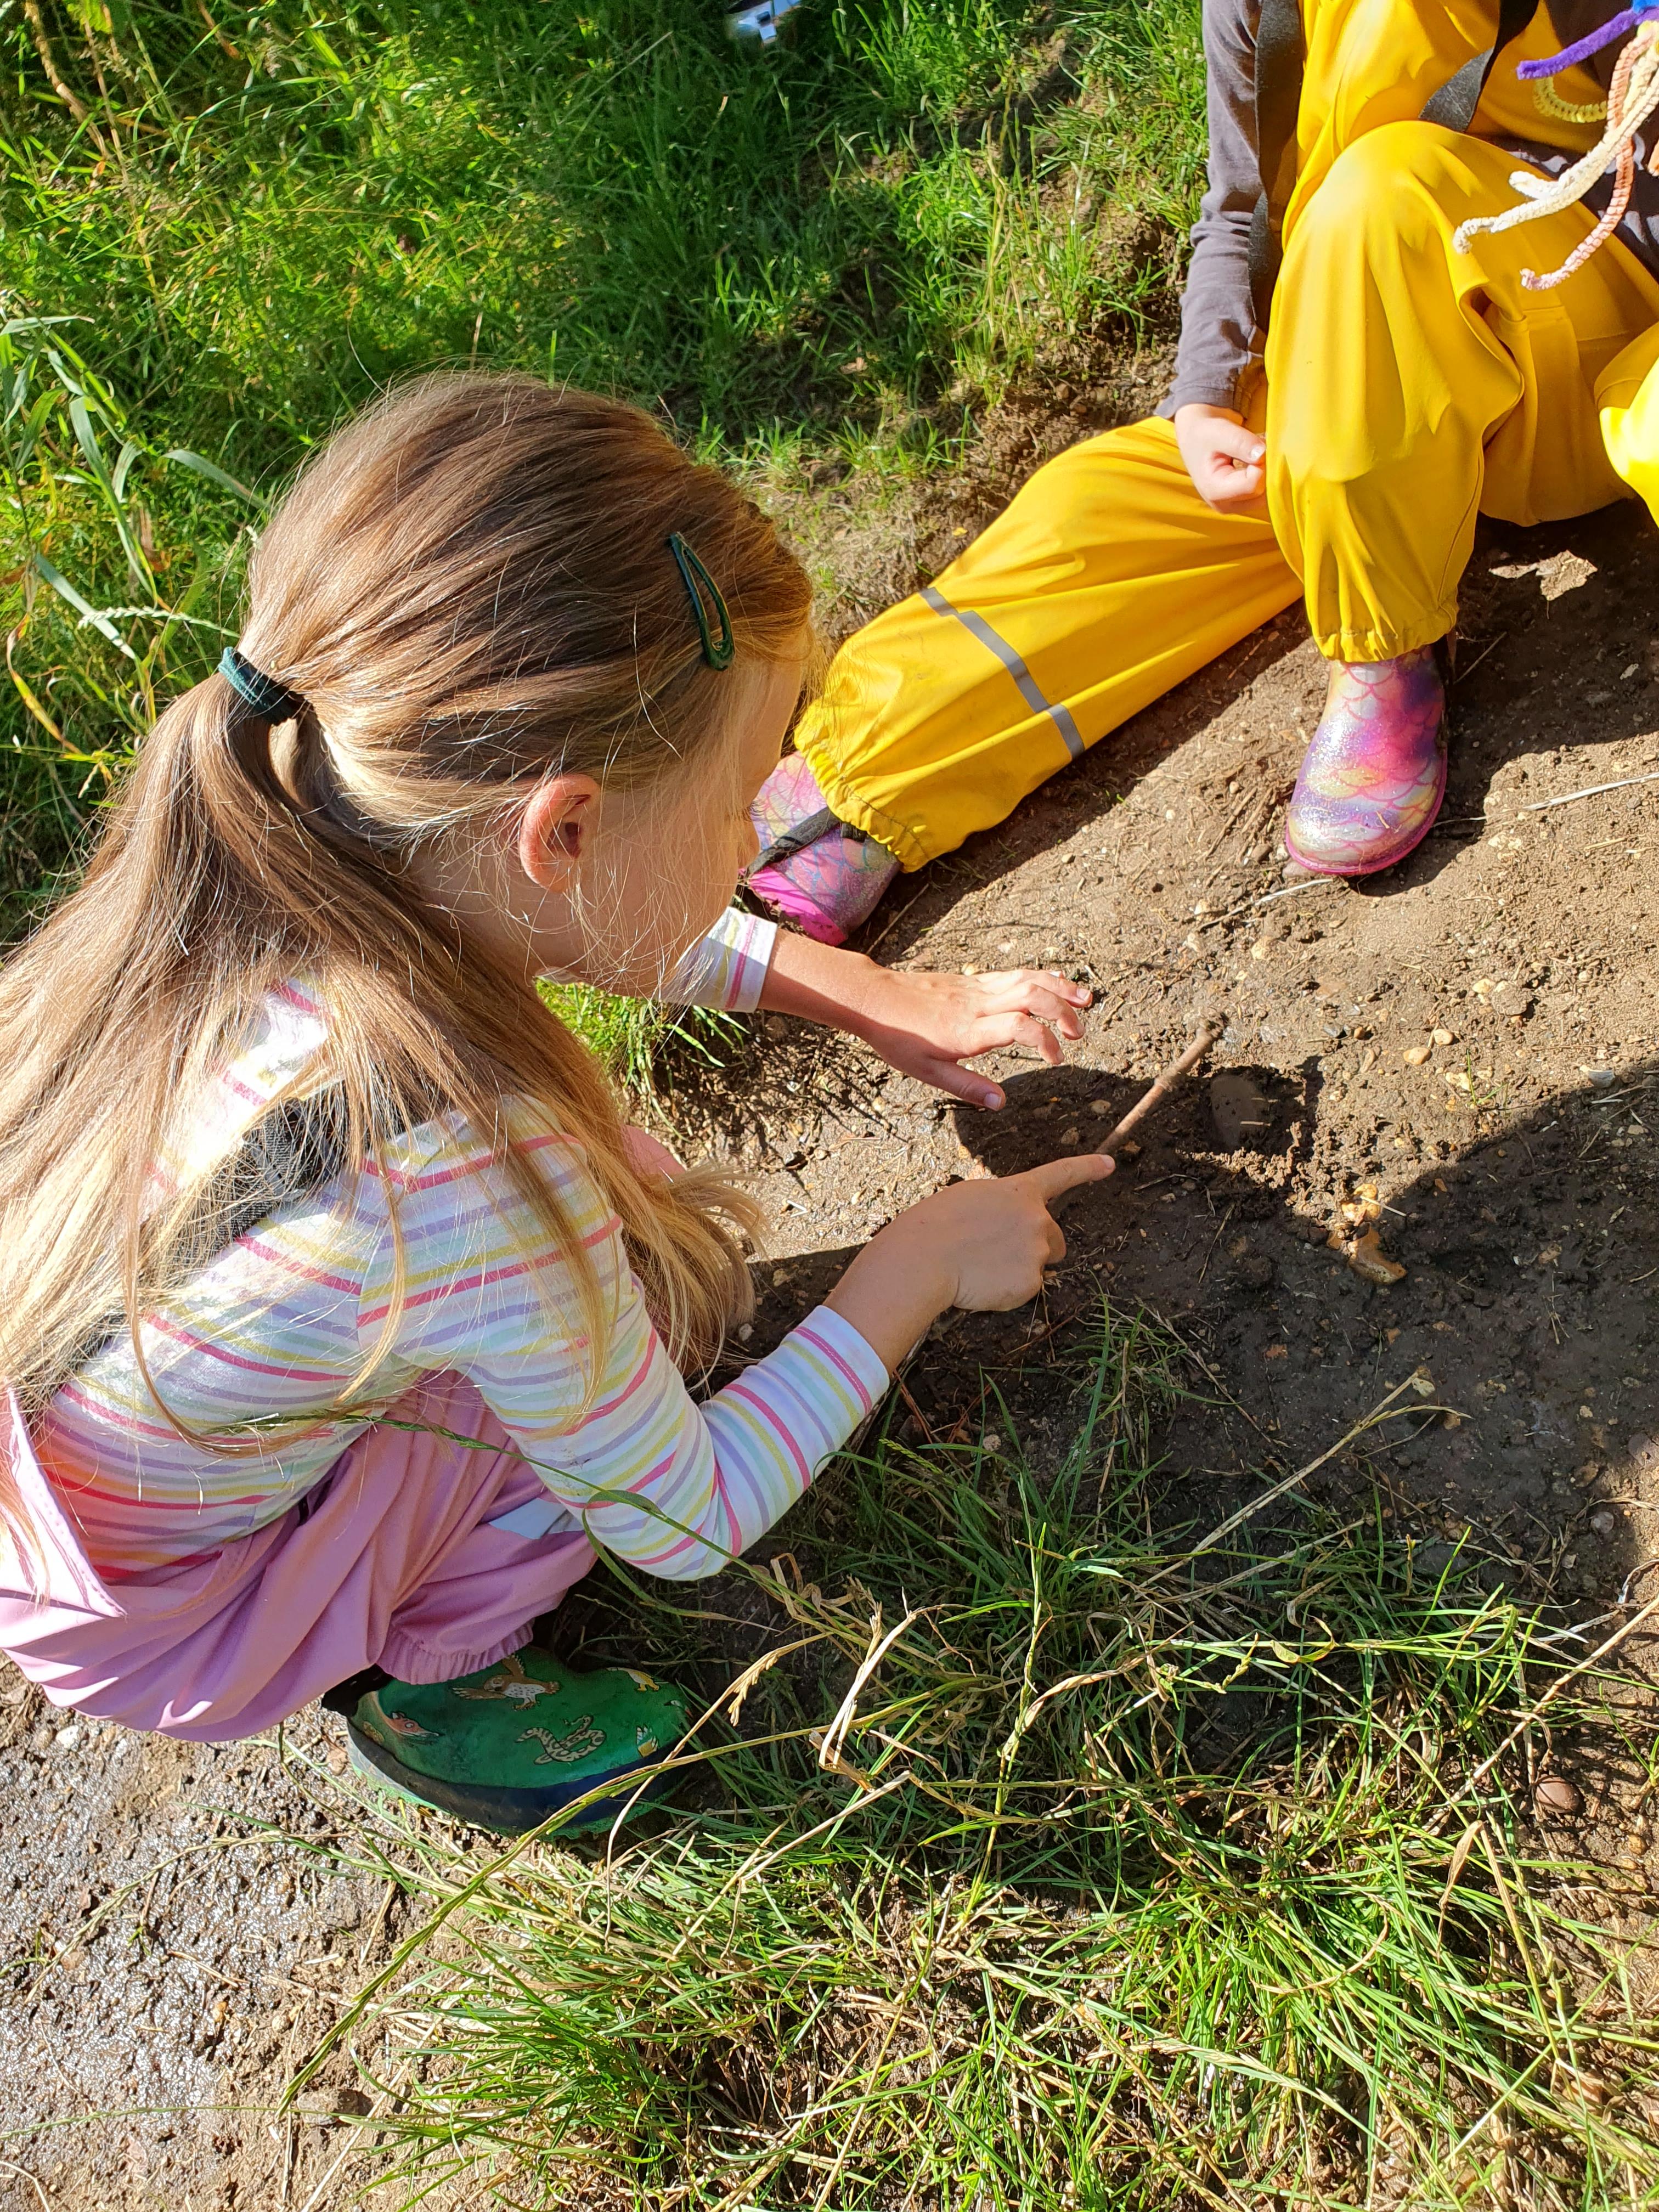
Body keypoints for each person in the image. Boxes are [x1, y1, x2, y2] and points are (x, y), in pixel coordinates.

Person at [0, 375, 1110, 1836]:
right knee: (614, 1294)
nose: (755, 833)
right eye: (744, 796)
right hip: (172, 1615)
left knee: (578, 1256)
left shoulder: (268, 844)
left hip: (72, 1475)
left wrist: (865, 992)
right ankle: (449, 1676)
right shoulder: (463, 1185)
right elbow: (683, 1516)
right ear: (565, 827)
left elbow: (595, 918)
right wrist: (920, 1262)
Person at [747, 0, 1659, 941]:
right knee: (1094, 514)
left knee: (1382, 191)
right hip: (1365, 365)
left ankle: (1383, 651)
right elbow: (1240, 205)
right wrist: (1205, 396)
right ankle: (852, 792)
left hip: (1584, 343)